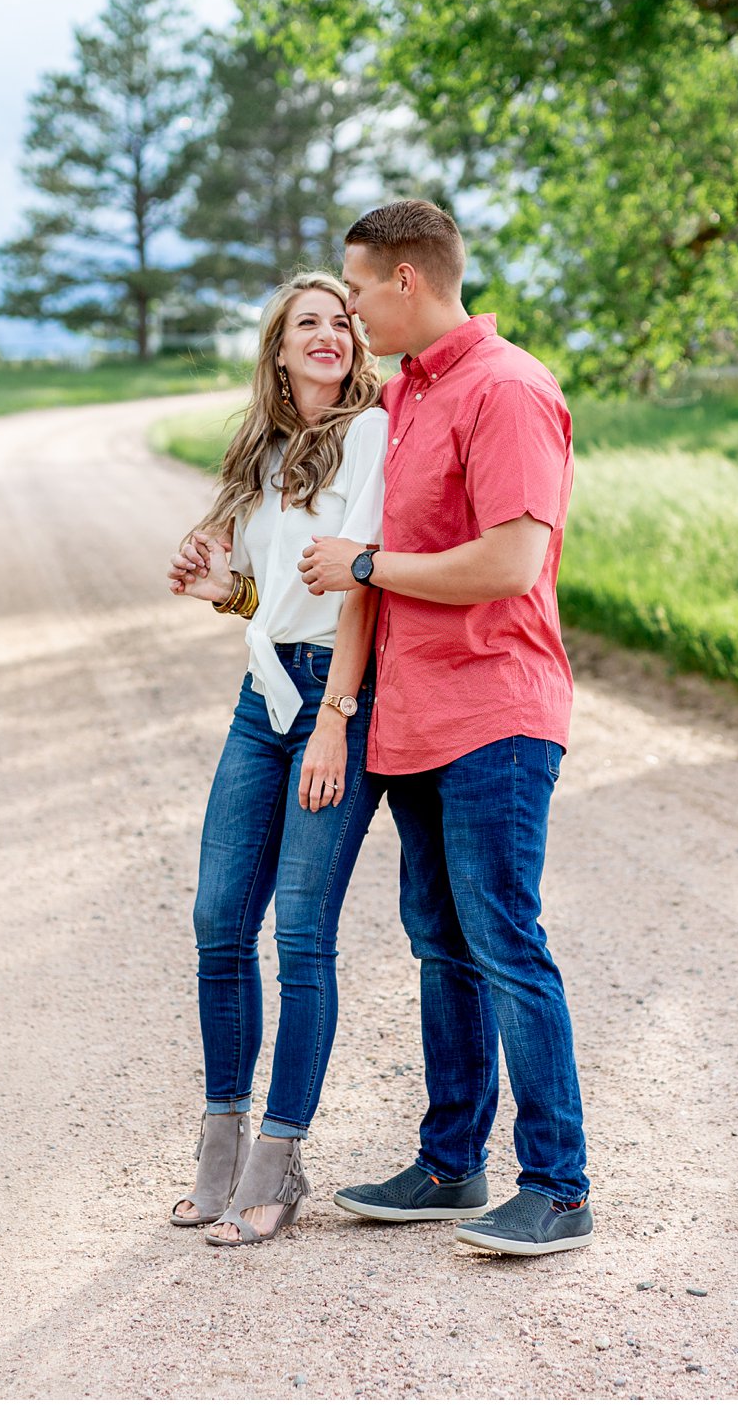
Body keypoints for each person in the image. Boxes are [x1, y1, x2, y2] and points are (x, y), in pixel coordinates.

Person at [298, 199, 594, 1256]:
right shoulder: (408, 395)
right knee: (442, 943)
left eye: (359, 286)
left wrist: (368, 565)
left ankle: (558, 1189)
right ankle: (449, 1163)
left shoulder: (506, 387)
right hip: (416, 715)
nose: (350, 306)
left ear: (407, 280)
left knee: (504, 939)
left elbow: (512, 560)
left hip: (495, 708)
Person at [163, 271, 389, 1247]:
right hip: (263, 699)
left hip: (337, 698)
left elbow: (361, 593)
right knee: (220, 921)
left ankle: (278, 1161)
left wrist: (336, 717)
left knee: (299, 931)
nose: (330, 332)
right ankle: (219, 1153)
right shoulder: (262, 456)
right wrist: (226, 591)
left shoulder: (374, 434)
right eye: (309, 321)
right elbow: (278, 607)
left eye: (342, 319)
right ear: (279, 348)